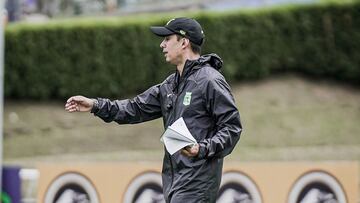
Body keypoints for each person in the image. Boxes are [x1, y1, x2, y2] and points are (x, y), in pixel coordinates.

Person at [65, 17, 242, 203]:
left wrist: (202, 148)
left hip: (197, 187)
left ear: (184, 42)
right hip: (173, 186)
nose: (162, 44)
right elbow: (133, 108)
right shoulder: (170, 85)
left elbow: (231, 128)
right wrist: (95, 104)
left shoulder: (210, 80)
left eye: (167, 39)